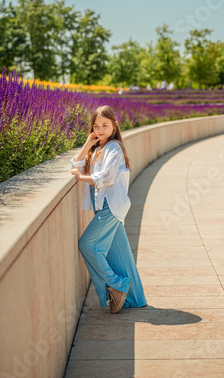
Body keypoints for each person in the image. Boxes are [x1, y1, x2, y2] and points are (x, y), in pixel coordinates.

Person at [70, 105, 147, 314]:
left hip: (110, 207)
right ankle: (135, 299)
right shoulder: (97, 148)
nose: (101, 129)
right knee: (121, 256)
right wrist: (87, 143)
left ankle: (118, 285)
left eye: (105, 125)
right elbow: (74, 164)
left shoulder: (113, 148)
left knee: (88, 245)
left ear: (115, 125)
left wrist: (81, 178)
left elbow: (106, 178)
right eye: (96, 126)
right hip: (103, 205)